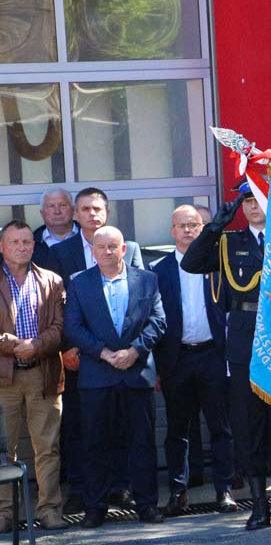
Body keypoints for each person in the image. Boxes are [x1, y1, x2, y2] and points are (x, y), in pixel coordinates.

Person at [181, 180, 271, 531]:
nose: (251, 207)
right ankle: (259, 502)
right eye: (245, 201)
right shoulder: (231, 243)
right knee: (248, 423)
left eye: (257, 199)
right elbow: (192, 263)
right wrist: (215, 226)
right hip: (245, 337)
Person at [63, 226, 166, 528]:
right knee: (95, 443)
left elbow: (159, 321)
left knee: (143, 442)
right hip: (97, 375)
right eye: (101, 247)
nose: (107, 252)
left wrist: (134, 351)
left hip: (136, 373)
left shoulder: (147, 279)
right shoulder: (79, 283)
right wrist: (104, 353)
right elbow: (74, 327)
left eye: (113, 247)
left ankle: (146, 505)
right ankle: (96, 507)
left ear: (124, 250)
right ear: (93, 251)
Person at [48, 187, 143, 514]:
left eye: (97, 208)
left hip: (123, 357)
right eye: (85, 209)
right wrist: (68, 347)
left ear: (107, 212)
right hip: (80, 356)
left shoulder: (127, 248)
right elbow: (58, 307)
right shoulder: (61, 251)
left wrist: (131, 350)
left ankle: (121, 486)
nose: (91, 214)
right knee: (79, 425)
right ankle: (81, 489)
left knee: (122, 424)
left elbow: (141, 301)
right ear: (76, 214)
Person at [149, 205, 237, 516]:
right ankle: (178, 492)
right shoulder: (159, 271)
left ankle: (224, 490)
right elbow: (154, 322)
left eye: (194, 225)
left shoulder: (217, 266)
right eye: (182, 226)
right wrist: (157, 367)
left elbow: (230, 311)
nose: (188, 231)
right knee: (177, 431)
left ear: (202, 229)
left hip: (212, 355)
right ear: (172, 230)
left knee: (220, 428)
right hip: (177, 359)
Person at [0, 220, 68, 532]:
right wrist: (10, 346)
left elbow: (59, 327)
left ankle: (49, 509)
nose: (21, 247)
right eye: (14, 242)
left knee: (48, 448)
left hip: (43, 372)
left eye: (27, 242)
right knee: (3, 450)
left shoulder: (52, 280)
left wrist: (35, 346)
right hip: (4, 377)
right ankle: (4, 514)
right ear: (2, 246)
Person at [32, 187, 78, 268]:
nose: (57, 211)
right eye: (51, 206)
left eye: (62, 205)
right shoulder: (32, 243)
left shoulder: (88, 237)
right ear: (42, 213)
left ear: (73, 210)